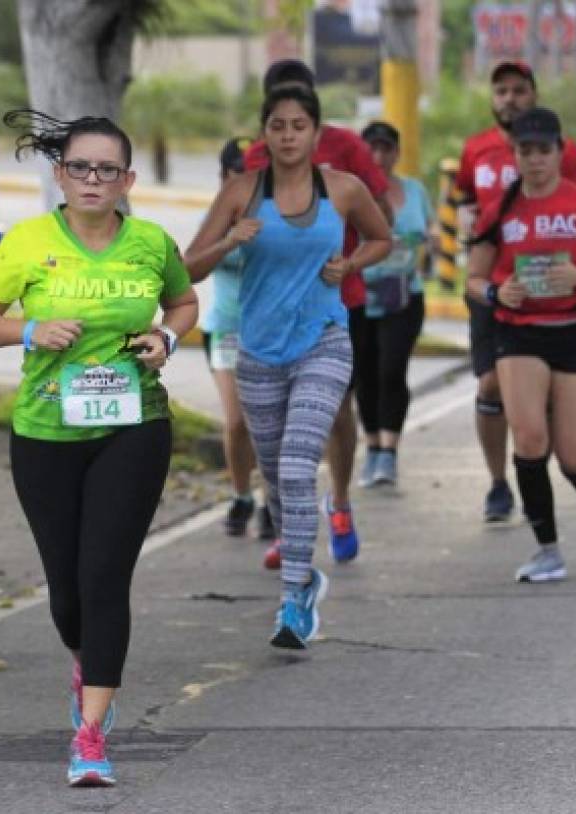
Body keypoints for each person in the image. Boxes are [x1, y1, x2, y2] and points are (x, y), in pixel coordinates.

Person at [0, 111, 198, 787]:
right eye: (80, 168)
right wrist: (30, 329)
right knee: (66, 592)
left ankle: (90, 733)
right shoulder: (30, 242)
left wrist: (168, 340)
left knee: (103, 577)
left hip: (135, 428)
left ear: (128, 178)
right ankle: (84, 658)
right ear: (61, 175)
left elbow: (183, 306)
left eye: (107, 169)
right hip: (46, 434)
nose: (94, 179)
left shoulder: (151, 243)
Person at [187, 85, 391, 648]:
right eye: (277, 126)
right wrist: (231, 236)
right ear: (264, 134)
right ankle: (304, 568)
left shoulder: (343, 189)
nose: (288, 135)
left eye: (298, 125)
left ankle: (295, 598)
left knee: (300, 466)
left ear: (316, 132)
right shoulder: (241, 192)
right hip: (257, 350)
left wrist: (349, 263)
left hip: (323, 340)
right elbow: (189, 268)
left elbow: (383, 238)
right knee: (276, 479)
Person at [465, 107, 576, 583]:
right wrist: (498, 292)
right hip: (519, 332)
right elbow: (474, 279)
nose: (535, 160)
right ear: (515, 155)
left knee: (573, 454)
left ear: (561, 153)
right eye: (526, 151)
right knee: (531, 439)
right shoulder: (501, 208)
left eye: (544, 150)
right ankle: (548, 550)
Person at [244, 59, 392, 565]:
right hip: (269, 316)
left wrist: (348, 258)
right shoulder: (253, 162)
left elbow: (381, 216)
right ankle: (289, 526)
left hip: (333, 305)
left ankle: (342, 502)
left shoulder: (346, 147)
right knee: (278, 427)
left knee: (336, 416)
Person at [455, 59, 576, 523]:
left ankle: (555, 453)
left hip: (558, 294)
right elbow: (463, 201)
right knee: (489, 382)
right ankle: (498, 482)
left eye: (519, 90)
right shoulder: (475, 149)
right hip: (499, 287)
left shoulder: (567, 152)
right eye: (501, 91)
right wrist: (464, 228)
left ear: (533, 95)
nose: (510, 99)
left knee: (556, 417)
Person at [201, 136, 275, 539]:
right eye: (237, 172)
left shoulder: (280, 213)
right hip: (227, 329)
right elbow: (191, 262)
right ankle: (242, 493)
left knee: (266, 421)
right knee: (235, 422)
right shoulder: (214, 216)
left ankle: (270, 500)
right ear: (224, 176)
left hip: (271, 332)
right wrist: (229, 238)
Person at [354, 120, 431, 487]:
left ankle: (389, 452)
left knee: (391, 369)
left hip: (404, 294)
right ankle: (371, 447)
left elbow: (429, 234)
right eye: (373, 149)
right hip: (359, 295)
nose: (380, 156)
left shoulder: (414, 191)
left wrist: (418, 250)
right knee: (364, 373)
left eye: (387, 149)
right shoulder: (351, 191)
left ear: (397, 152)